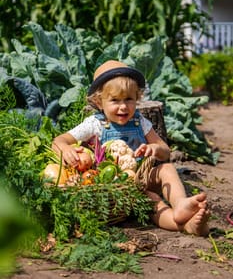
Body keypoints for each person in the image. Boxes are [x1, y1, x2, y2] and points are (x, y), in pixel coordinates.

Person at [52, 60, 210, 236]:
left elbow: (165, 150)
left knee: (167, 168)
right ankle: (186, 226)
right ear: (99, 102)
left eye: (129, 99)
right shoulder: (94, 124)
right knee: (154, 201)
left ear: (137, 98)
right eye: (115, 100)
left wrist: (155, 149)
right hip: (114, 188)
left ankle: (180, 204)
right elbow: (58, 140)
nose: (123, 106)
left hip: (142, 179)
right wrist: (66, 149)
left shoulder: (140, 121)